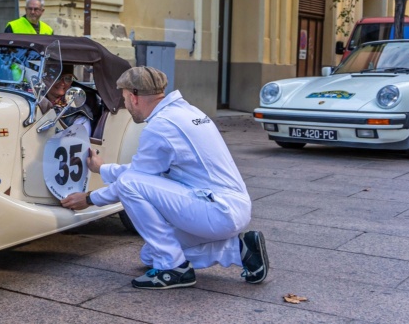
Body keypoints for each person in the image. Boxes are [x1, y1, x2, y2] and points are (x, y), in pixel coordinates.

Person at [60, 66, 269, 290]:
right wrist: (103, 170)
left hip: (217, 211)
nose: (126, 106)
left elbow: (132, 182)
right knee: (150, 256)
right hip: (226, 205)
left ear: (134, 97)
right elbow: (146, 172)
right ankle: (240, 250)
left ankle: (173, 268)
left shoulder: (161, 127)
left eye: (124, 100)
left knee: (131, 188)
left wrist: (90, 199)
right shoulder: (186, 112)